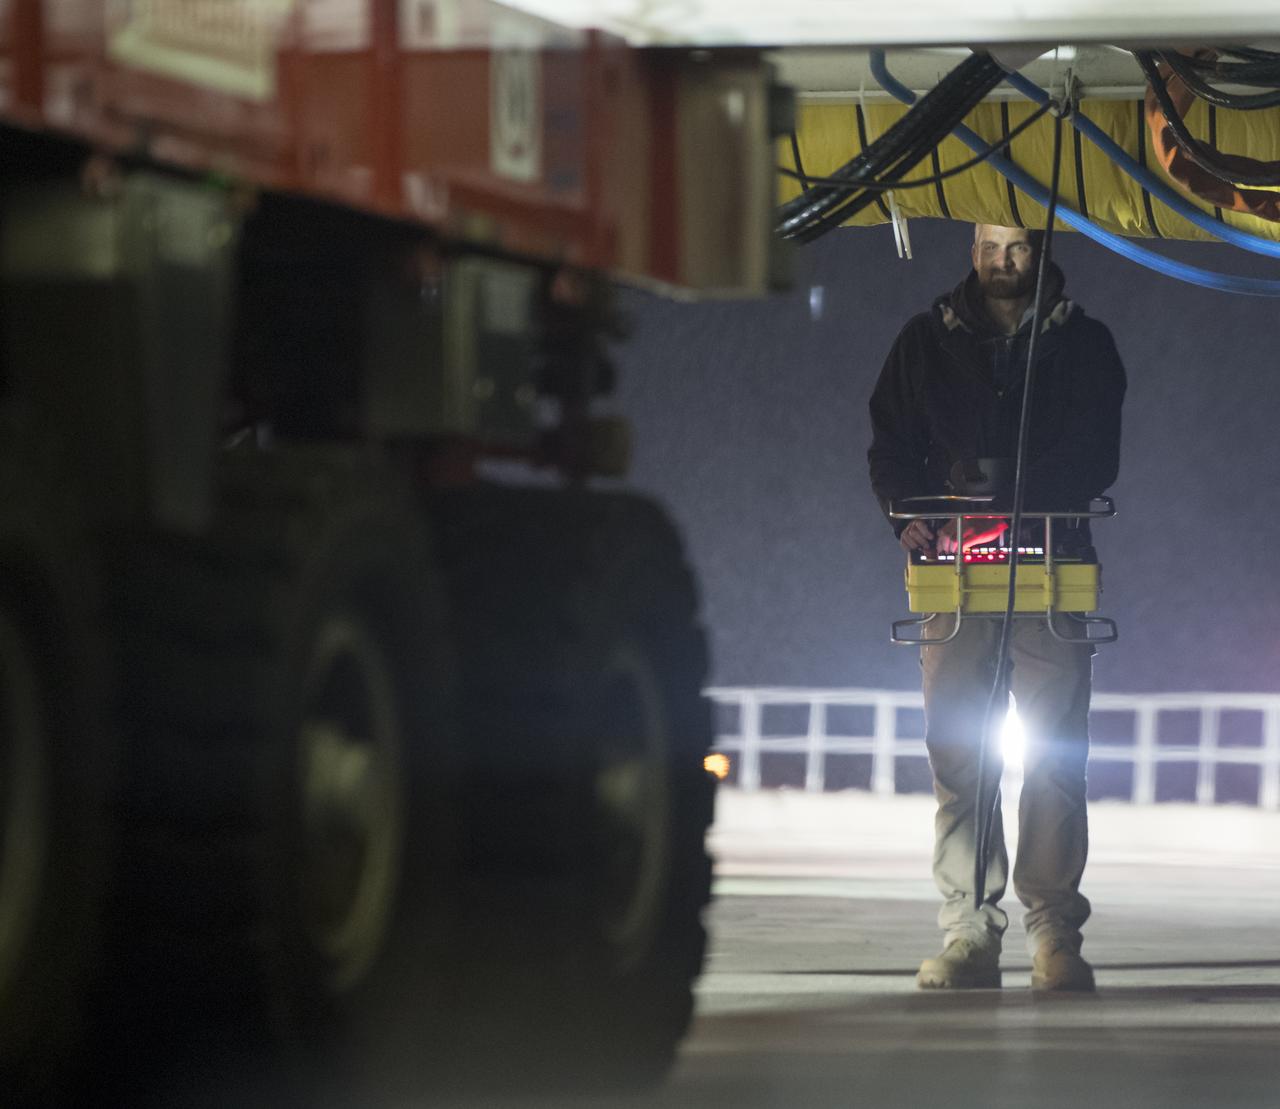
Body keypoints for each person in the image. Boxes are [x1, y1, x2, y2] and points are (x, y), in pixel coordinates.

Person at [867, 224, 1127, 991]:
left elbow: (1095, 452)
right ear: (970, 248)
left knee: (1054, 755)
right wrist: (902, 508)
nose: (1000, 262)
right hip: (955, 578)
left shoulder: (1086, 346)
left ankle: (1055, 935)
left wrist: (1014, 492)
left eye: (1014, 247)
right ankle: (970, 930)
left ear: (1041, 249)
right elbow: (888, 444)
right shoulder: (923, 343)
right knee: (960, 755)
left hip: (1051, 569)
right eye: (988, 245)